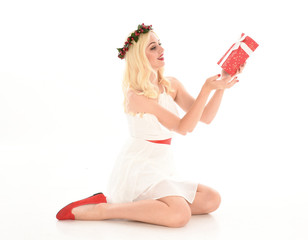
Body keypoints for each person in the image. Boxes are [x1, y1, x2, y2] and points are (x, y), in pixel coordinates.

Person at [56, 23, 245, 228]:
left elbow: (205, 117)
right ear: (139, 57)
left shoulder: (171, 85)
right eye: (153, 47)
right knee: (180, 215)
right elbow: (183, 127)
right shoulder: (136, 96)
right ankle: (105, 209)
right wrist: (206, 88)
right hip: (141, 165)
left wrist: (222, 85)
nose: (161, 50)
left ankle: (156, 207)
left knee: (211, 199)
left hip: (161, 163)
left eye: (160, 44)